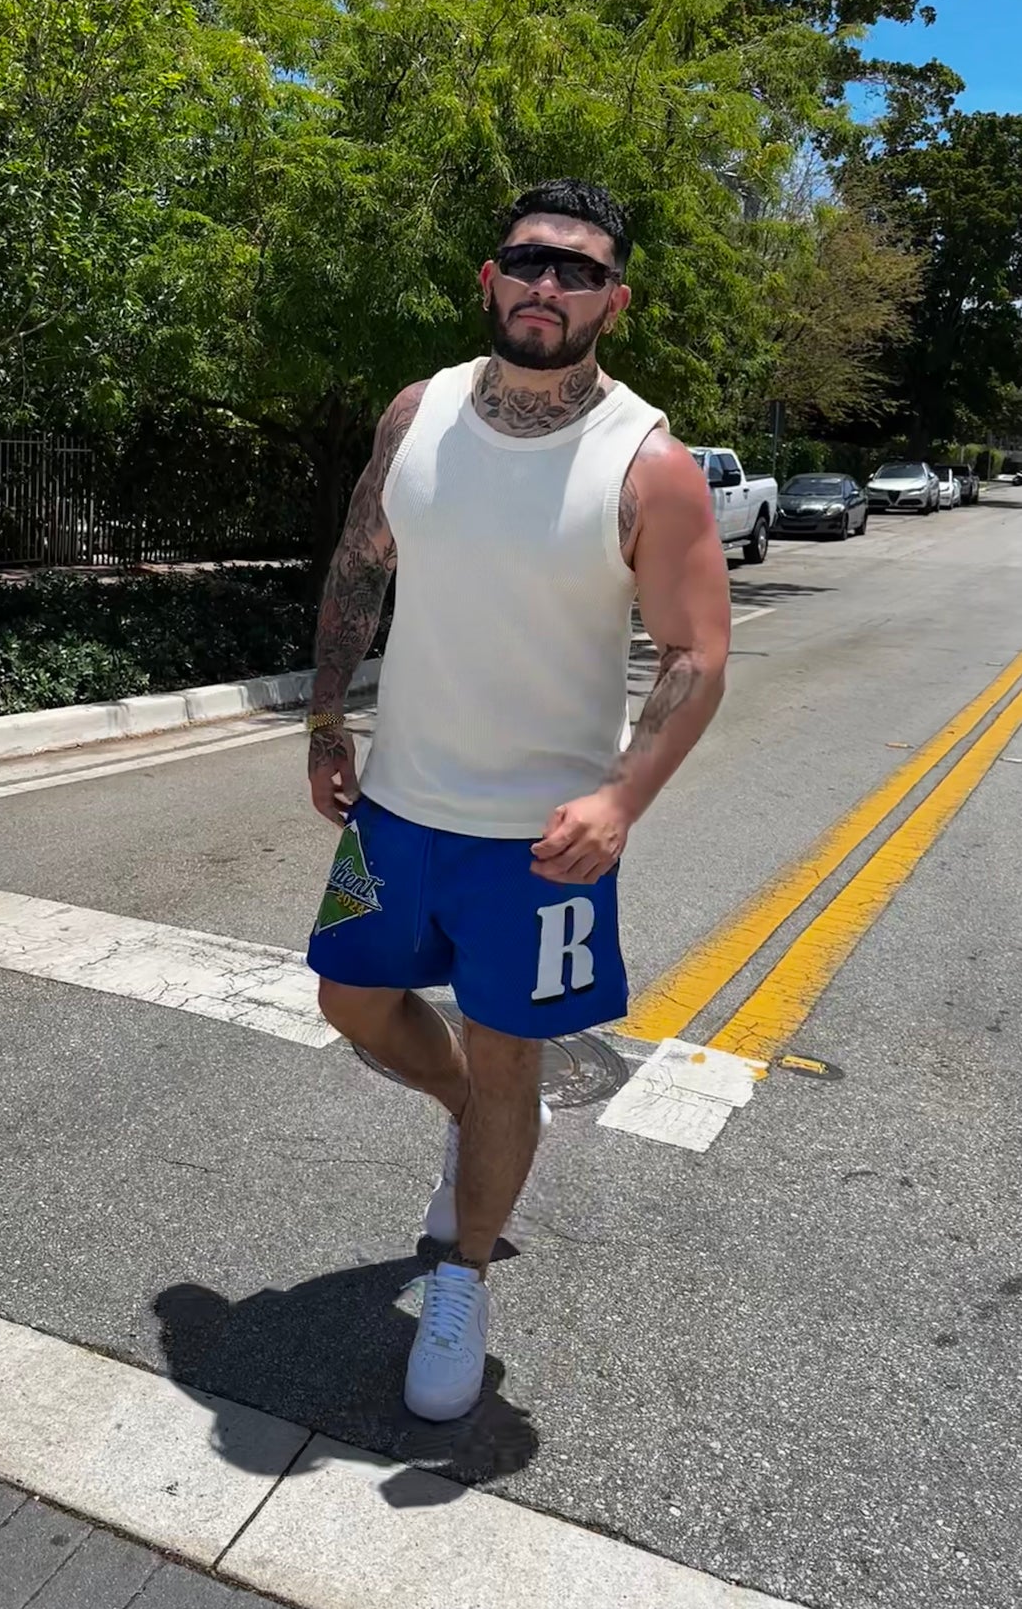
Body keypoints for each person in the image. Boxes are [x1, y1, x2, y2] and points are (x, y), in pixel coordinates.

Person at [303, 179, 731, 1423]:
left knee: (511, 1056)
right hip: (395, 808)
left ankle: (462, 1274)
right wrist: (329, 717)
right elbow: (355, 564)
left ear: (614, 300)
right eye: (526, 261)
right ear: (489, 278)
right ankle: (460, 1112)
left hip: (542, 843)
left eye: (577, 270)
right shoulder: (415, 413)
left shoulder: (647, 465)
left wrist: (622, 802)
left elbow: (697, 657)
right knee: (350, 999)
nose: (547, 285)